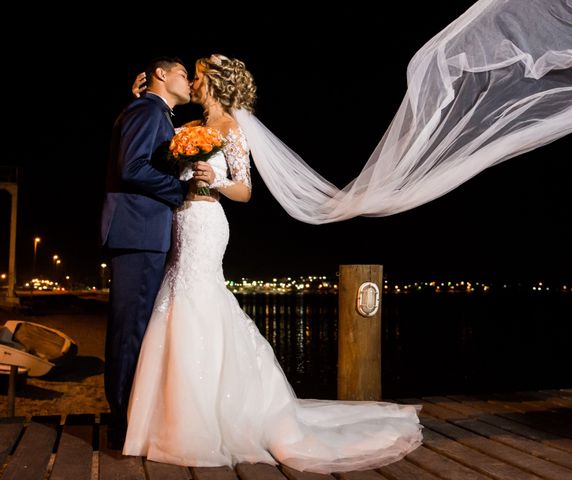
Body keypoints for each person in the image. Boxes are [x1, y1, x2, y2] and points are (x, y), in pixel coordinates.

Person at [122, 54, 422, 473]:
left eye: (199, 76)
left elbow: (245, 190)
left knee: (198, 301)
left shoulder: (233, 129)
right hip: (179, 222)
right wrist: (141, 98)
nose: (192, 82)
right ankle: (168, 414)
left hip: (207, 222)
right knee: (175, 303)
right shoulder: (188, 129)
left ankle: (204, 419)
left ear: (214, 84)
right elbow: (155, 144)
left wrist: (217, 179)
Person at [101, 56, 214, 449]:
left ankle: (130, 414)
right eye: (183, 73)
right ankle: (121, 423)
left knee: (134, 329)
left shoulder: (155, 112)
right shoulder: (147, 109)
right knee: (128, 331)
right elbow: (132, 167)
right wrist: (179, 193)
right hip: (138, 232)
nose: (188, 80)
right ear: (161, 75)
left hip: (144, 232)